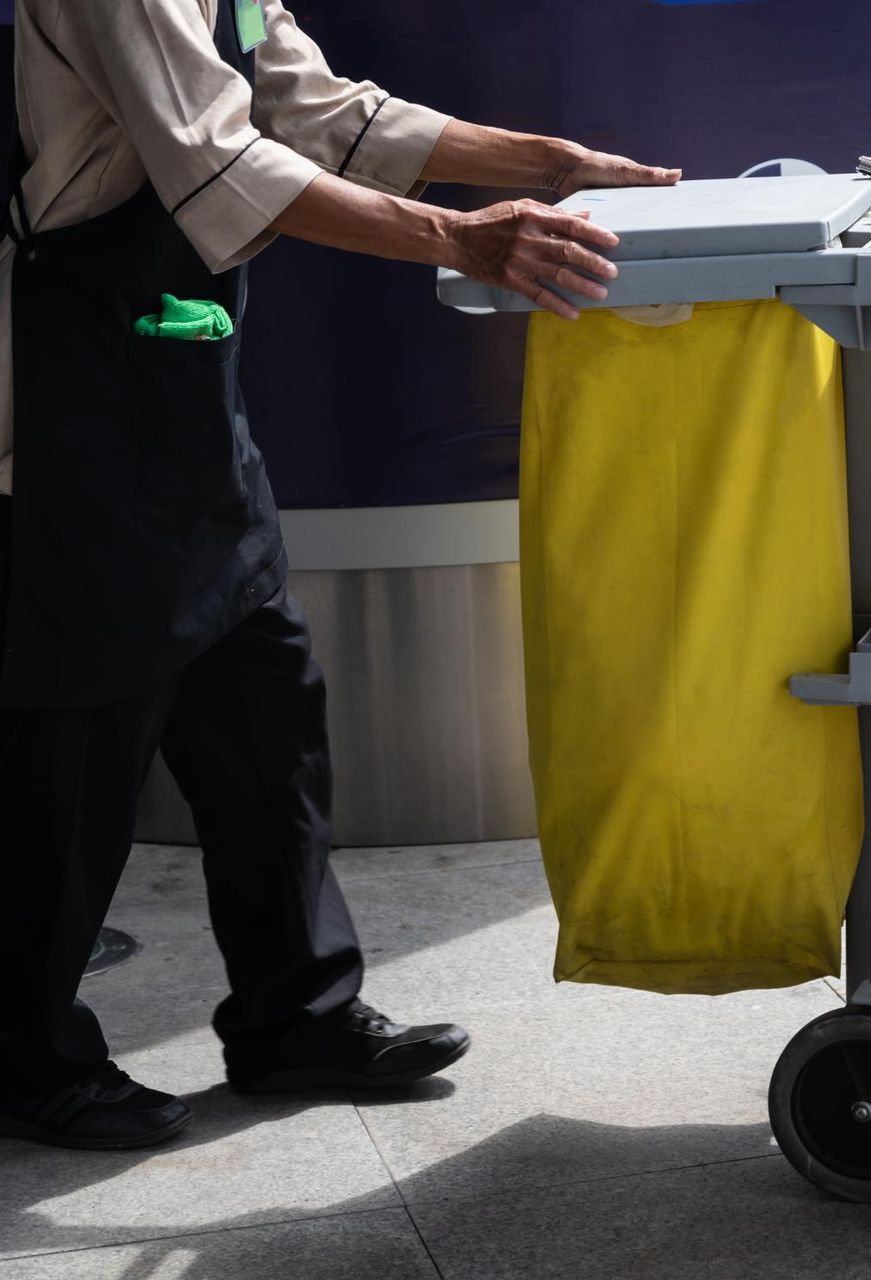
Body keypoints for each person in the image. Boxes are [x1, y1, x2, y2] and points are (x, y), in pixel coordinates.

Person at [0, 0, 677, 1150]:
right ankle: (20, 1054)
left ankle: (295, 1016)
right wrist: (456, 236)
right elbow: (219, 155)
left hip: (178, 382)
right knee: (78, 742)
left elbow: (316, 107)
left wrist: (541, 164)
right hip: (76, 378)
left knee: (266, 703)